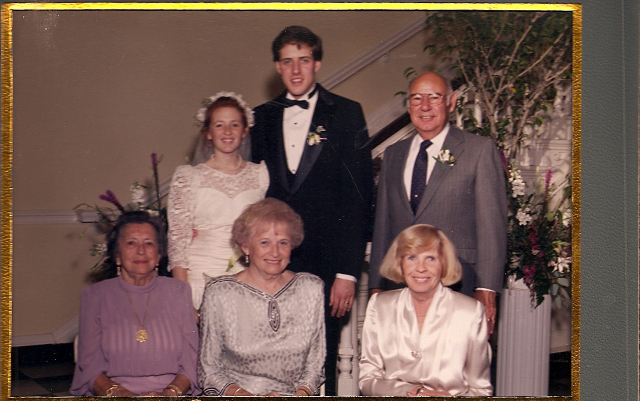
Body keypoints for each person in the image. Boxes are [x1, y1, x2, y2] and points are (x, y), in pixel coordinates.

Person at [250, 25, 373, 394]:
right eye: (288, 62)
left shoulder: (347, 113)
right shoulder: (260, 118)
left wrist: (347, 273)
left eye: (303, 60)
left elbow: (358, 199)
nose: (296, 70)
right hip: (272, 262)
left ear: (317, 63)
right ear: (278, 67)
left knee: (323, 356)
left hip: (328, 264)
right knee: (271, 355)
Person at [369, 71, 507, 334]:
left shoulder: (479, 150)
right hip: (400, 286)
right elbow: (383, 226)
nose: (425, 106)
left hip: (460, 284)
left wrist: (486, 289)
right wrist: (376, 285)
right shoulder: (394, 154)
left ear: (451, 102)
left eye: (434, 97)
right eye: (417, 98)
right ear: (408, 105)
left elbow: (492, 227)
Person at [198, 198, 325, 396]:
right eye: (264, 242)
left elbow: (315, 365)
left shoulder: (310, 288)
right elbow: (209, 371)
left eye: (283, 242)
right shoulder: (220, 293)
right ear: (246, 246)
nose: (275, 252)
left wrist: (300, 395)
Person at [70, 211, 199, 396]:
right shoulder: (95, 296)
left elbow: (191, 361)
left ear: (159, 255)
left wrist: (169, 394)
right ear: (117, 254)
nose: (141, 251)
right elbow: (89, 367)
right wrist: (124, 395)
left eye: (149, 243)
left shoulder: (179, 291)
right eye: (131, 243)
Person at [359, 224, 492, 396]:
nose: (421, 268)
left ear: (444, 263)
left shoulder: (470, 312)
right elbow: (367, 380)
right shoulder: (380, 305)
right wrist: (413, 392)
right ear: (400, 263)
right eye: (412, 258)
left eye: (430, 258)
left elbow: (481, 391)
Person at [168, 92, 269, 309]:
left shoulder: (260, 174)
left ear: (245, 130)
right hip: (200, 279)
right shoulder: (189, 177)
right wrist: (183, 300)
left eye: (234, 125)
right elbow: (178, 243)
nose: (227, 131)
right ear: (208, 132)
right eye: (219, 125)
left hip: (248, 278)